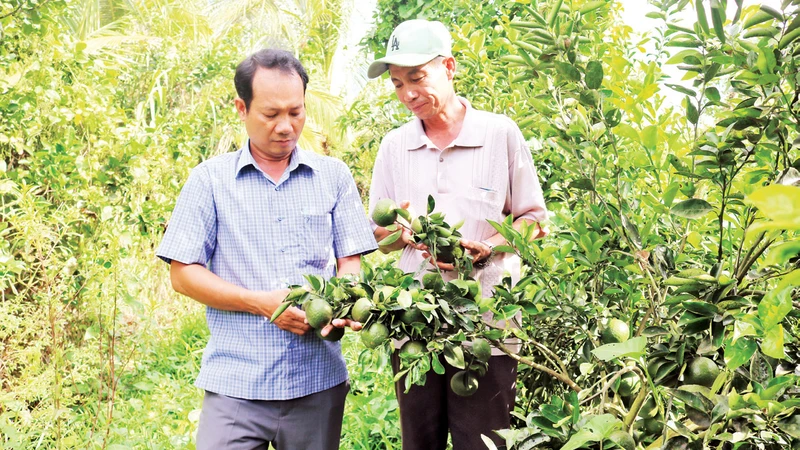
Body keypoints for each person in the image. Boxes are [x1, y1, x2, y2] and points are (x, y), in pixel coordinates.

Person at [156, 49, 377, 450]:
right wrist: (260, 302)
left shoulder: (334, 176)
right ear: (241, 108)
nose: (286, 127)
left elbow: (351, 262)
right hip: (236, 385)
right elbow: (182, 274)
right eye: (271, 114)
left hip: (317, 382)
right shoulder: (209, 181)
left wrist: (342, 303)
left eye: (296, 112)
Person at [367, 19, 549, 449]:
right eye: (396, 84)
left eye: (417, 77)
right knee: (421, 441)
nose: (408, 93)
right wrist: (404, 236)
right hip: (414, 327)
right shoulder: (394, 147)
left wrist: (487, 248)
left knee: (484, 443)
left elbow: (534, 220)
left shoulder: (499, 134)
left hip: (487, 328)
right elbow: (378, 235)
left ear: (448, 67)